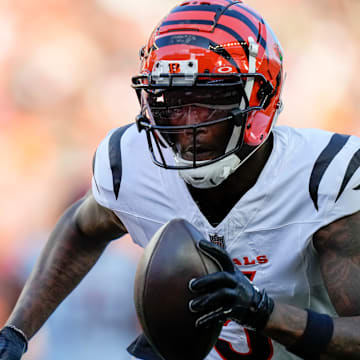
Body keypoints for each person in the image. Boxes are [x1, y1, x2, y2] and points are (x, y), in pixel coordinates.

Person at [1, 0, 360, 359]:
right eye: (172, 100)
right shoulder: (134, 163)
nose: (189, 124)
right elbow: (82, 229)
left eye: (209, 98)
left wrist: (264, 312)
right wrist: (16, 331)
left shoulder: (322, 179)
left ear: (261, 96)